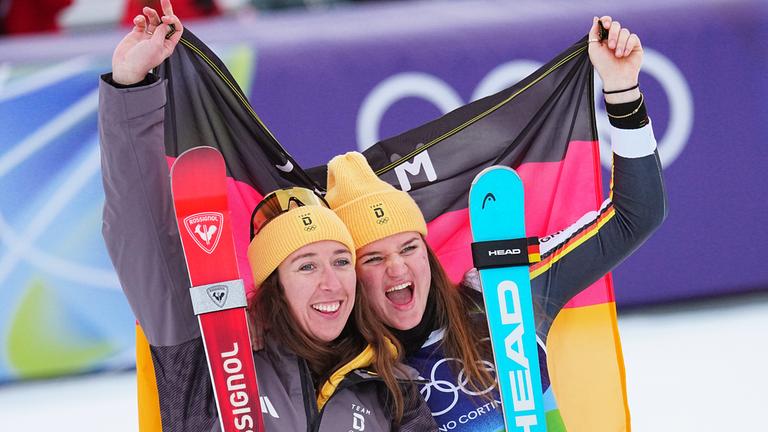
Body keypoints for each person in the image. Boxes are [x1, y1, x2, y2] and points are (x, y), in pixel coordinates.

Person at [99, 1, 437, 430]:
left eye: (341, 261)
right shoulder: (205, 355)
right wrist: (131, 87)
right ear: (274, 284)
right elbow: (141, 232)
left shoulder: (391, 388)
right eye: (306, 266)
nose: (331, 282)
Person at [322, 16, 668, 431]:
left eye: (408, 248)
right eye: (373, 258)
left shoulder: (501, 294)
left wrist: (622, 91)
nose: (397, 268)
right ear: (351, 278)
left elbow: (636, 215)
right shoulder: (349, 378)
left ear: (427, 254)